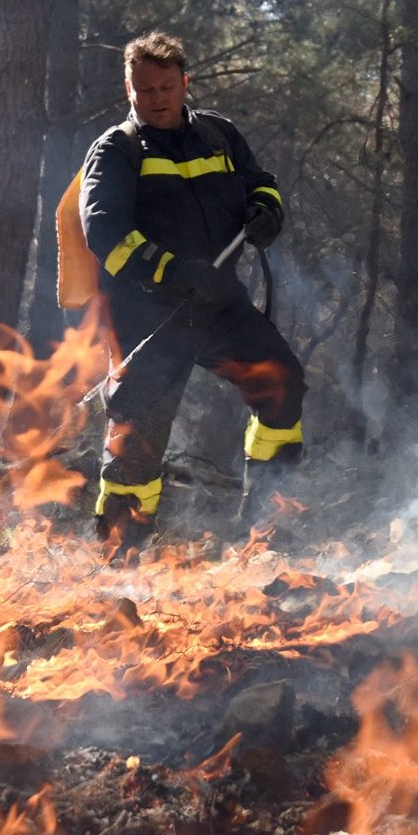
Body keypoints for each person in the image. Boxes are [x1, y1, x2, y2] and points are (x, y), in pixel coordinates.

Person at [75, 31, 305, 551]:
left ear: (185, 82)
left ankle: (265, 533)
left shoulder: (220, 135)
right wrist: (169, 270)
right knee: (137, 441)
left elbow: (258, 182)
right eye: (143, 88)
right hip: (150, 318)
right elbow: (104, 233)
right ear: (127, 89)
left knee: (282, 383)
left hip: (221, 307)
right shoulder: (117, 149)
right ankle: (118, 559)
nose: (155, 98)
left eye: (165, 86)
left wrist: (266, 211)